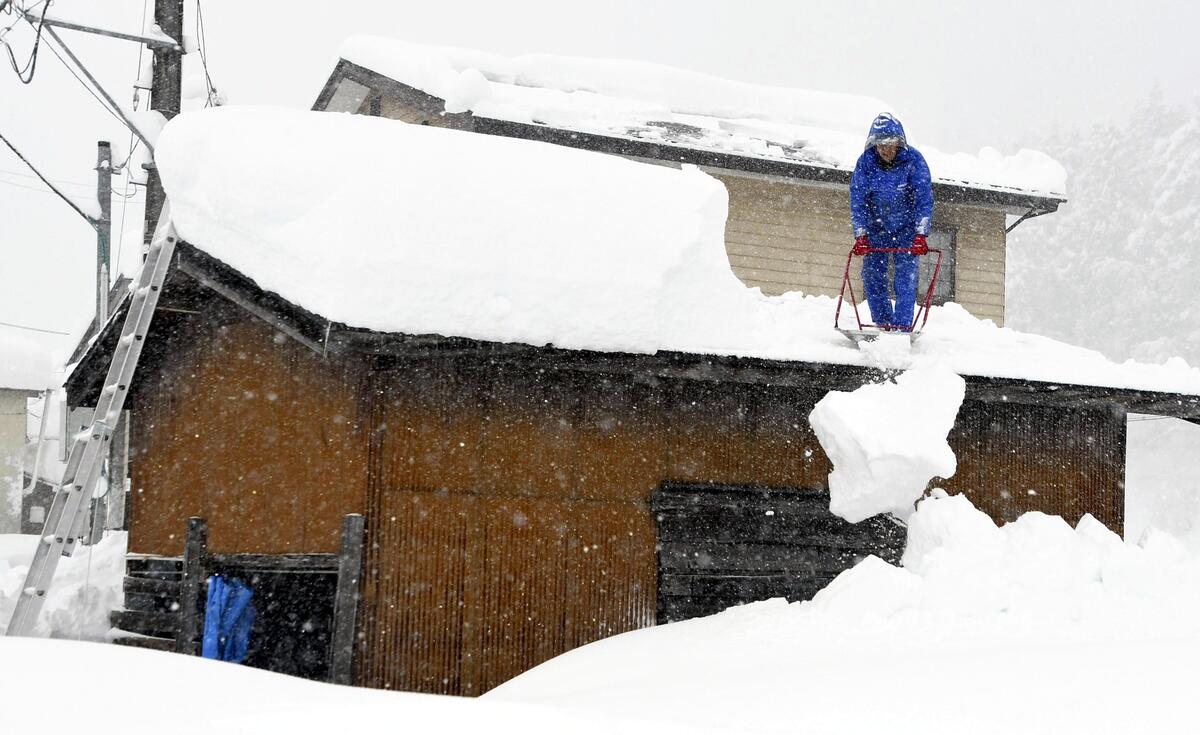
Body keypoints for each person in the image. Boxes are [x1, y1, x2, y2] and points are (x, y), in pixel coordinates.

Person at [849, 112, 934, 331]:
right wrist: (861, 234)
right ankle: (883, 323)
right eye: (880, 145)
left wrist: (920, 234)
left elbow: (923, 198)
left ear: (899, 143)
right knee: (872, 275)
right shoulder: (866, 163)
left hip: (906, 229)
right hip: (876, 228)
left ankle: (902, 327)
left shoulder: (914, 161)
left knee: (905, 279)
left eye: (889, 144)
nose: (885, 149)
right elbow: (858, 199)